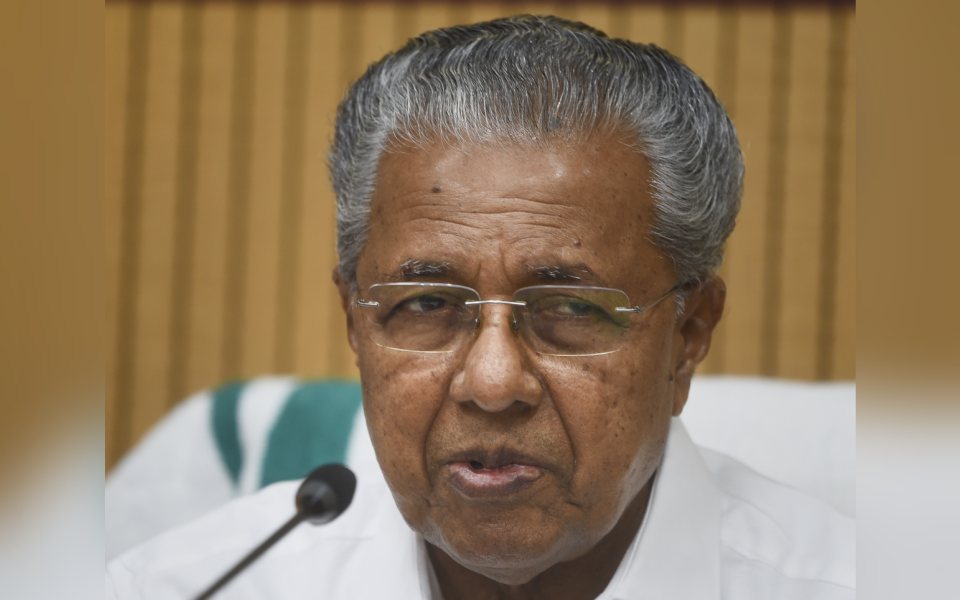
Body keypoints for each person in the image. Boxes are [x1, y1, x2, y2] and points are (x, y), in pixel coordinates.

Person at [107, 15, 853, 599]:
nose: (493, 383)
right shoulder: (192, 587)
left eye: (570, 307)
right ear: (356, 323)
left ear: (689, 334)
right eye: (428, 302)